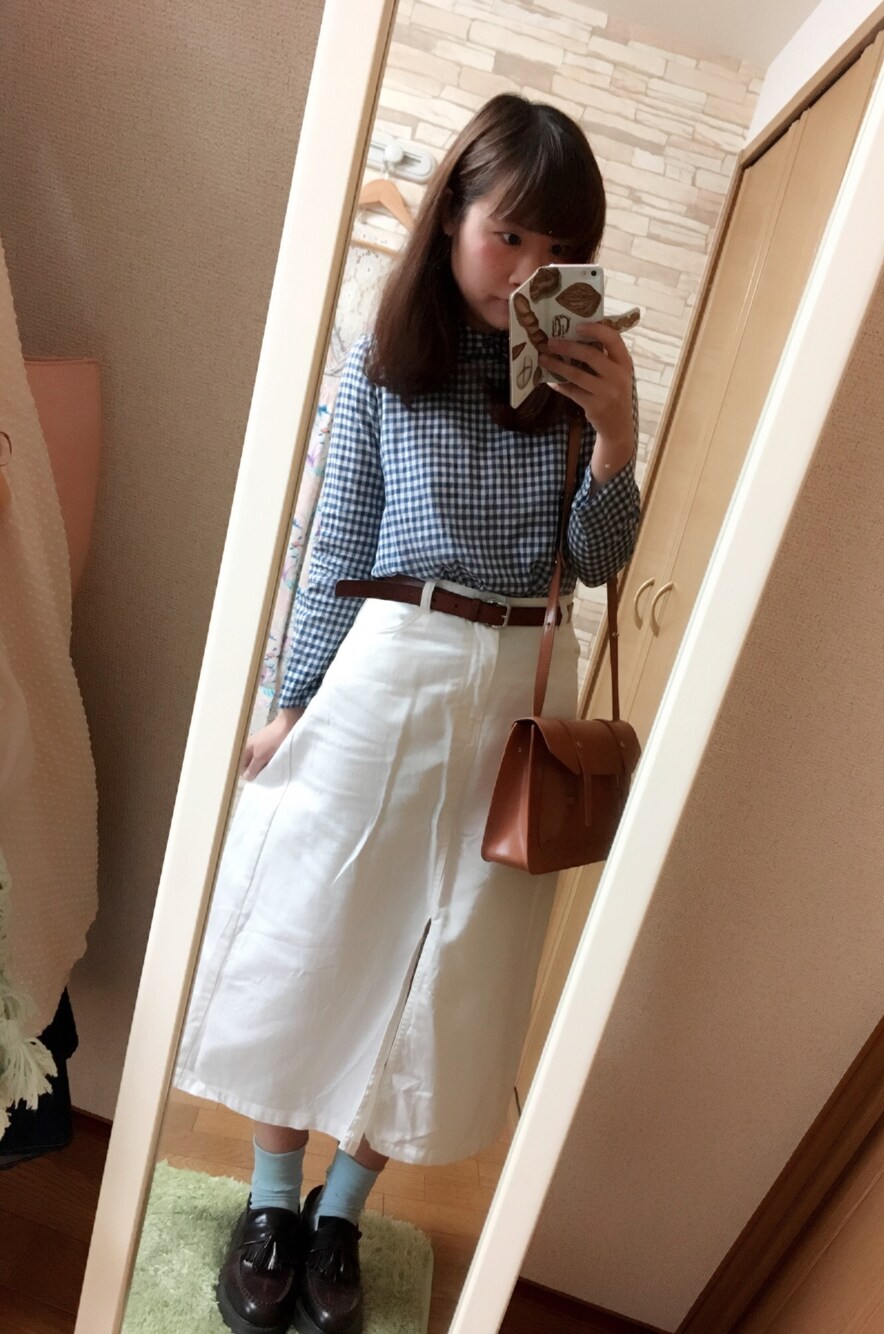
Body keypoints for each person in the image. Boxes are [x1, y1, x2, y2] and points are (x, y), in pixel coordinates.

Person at [174, 93, 640, 1334]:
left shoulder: (578, 383)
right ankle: (271, 1201)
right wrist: (291, 698)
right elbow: (337, 543)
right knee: (314, 926)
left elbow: (597, 563)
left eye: (559, 249)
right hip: (393, 657)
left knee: (453, 963)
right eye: (509, 234)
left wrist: (614, 438)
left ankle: (342, 1212)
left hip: (521, 686)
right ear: (449, 218)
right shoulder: (384, 360)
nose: (528, 271)